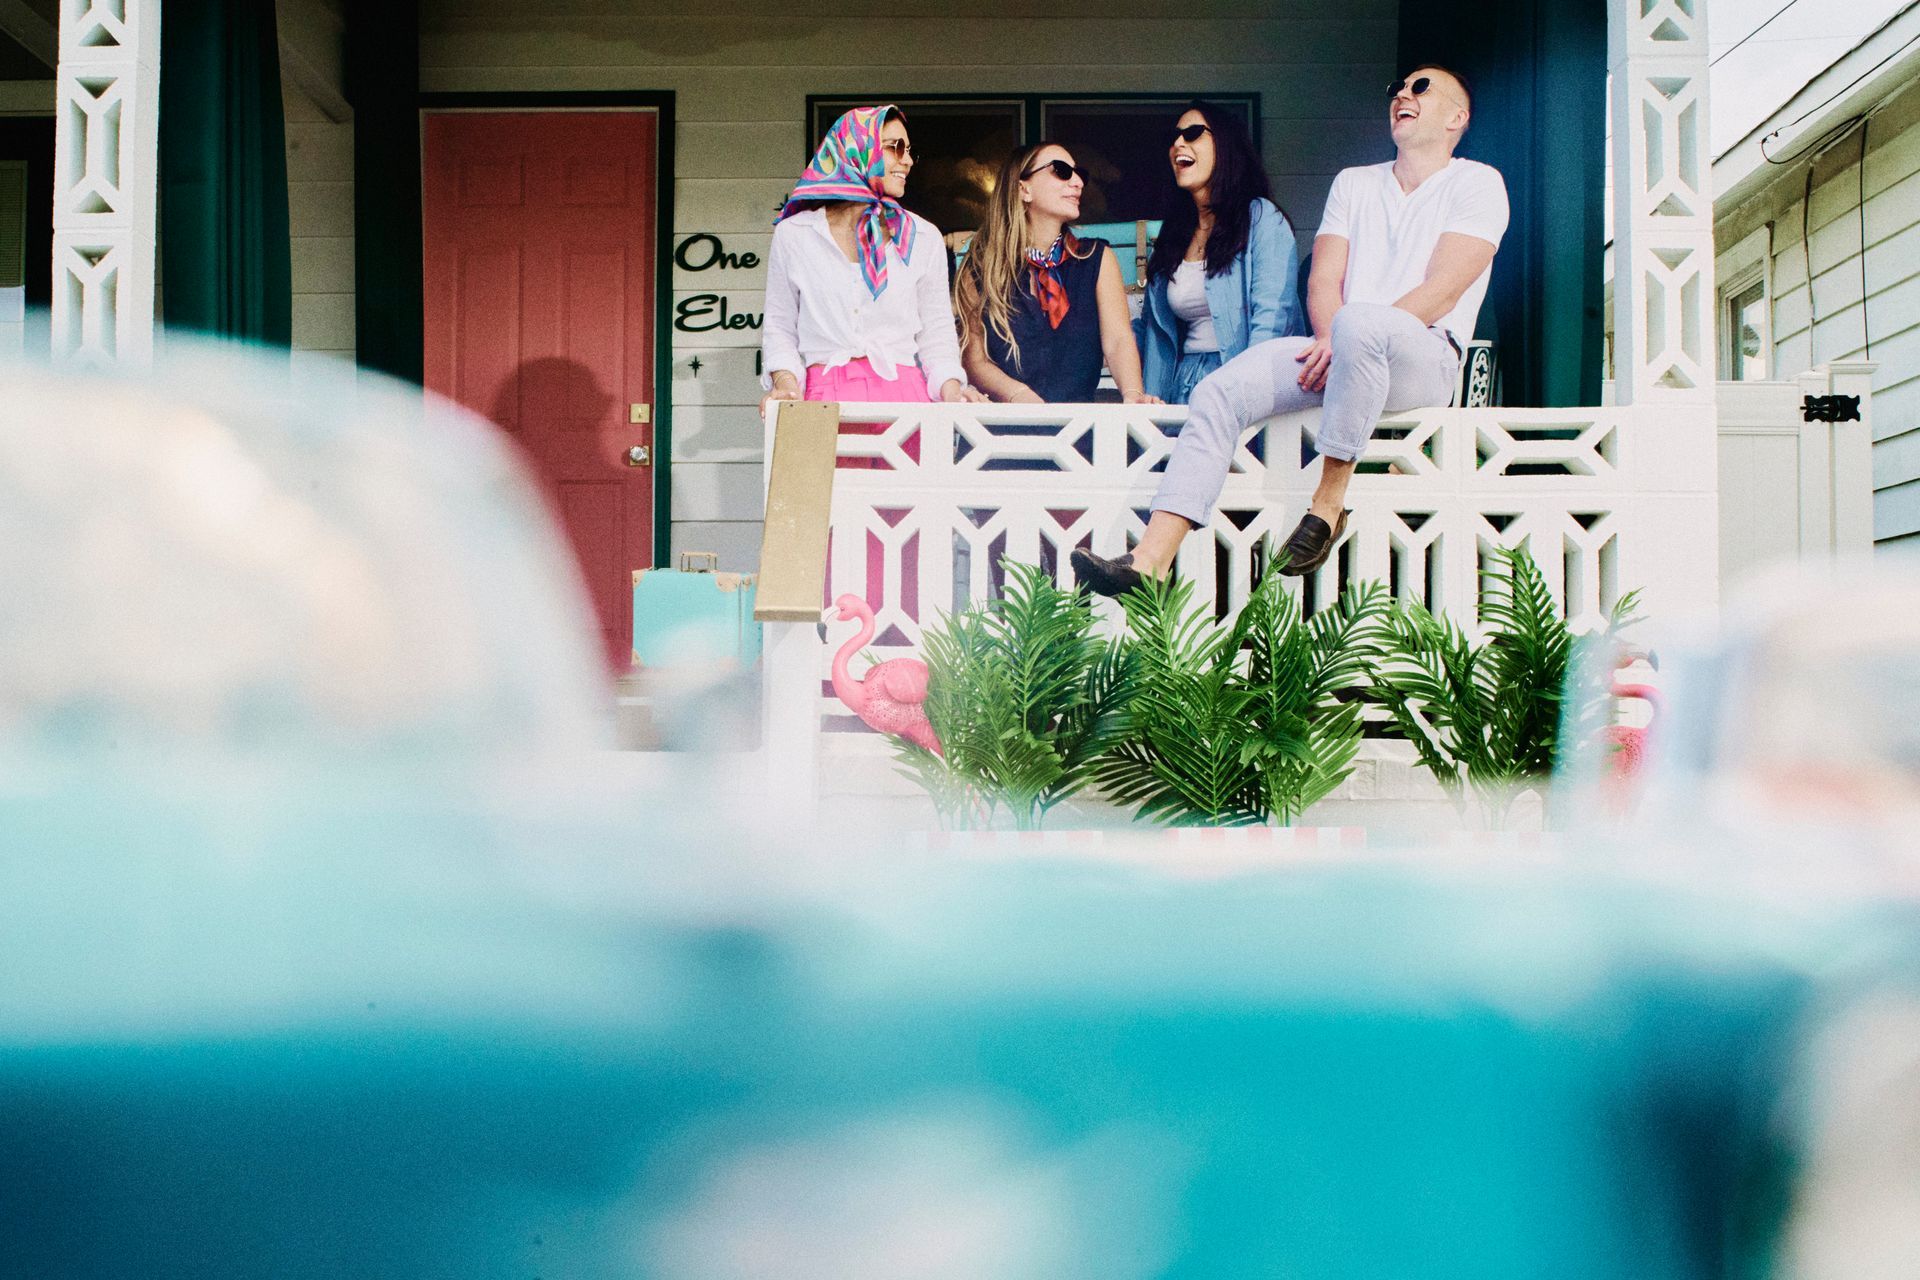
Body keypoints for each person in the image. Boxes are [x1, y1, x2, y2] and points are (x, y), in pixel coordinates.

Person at [1074, 66, 1507, 592]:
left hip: (1426, 355)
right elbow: (1324, 279)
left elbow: (1445, 288)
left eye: (1421, 88)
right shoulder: (1355, 181)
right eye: (1396, 88)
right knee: (1221, 390)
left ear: (1457, 118)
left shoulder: (1478, 181)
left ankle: (1327, 506)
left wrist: (1348, 334)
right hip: (1338, 346)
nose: (1402, 96)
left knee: (1360, 322)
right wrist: (1332, 338)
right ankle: (1149, 561)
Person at [760, 105, 986, 412]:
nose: (906, 160)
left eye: (909, 151)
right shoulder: (795, 234)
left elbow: (936, 332)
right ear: (856, 149)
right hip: (821, 398)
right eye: (896, 148)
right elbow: (779, 327)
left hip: (904, 398)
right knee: (815, 463)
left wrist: (952, 388)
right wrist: (786, 385)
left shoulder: (922, 236)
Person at [955, 142, 1156, 404]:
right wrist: (1019, 396)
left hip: (1079, 434)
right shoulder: (981, 266)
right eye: (1061, 171)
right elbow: (974, 358)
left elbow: (1118, 340)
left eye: (1079, 174)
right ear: (1023, 188)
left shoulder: (1096, 259)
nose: (1077, 182)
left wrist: (1133, 395)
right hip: (1001, 434)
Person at [1136, 102, 1301, 405]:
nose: (1178, 144)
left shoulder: (1262, 217)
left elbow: (1272, 316)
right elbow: (1149, 327)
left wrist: (1247, 390)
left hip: (1243, 382)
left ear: (1225, 145)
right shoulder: (1174, 234)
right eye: (1173, 138)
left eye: (1193, 133)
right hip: (1181, 383)